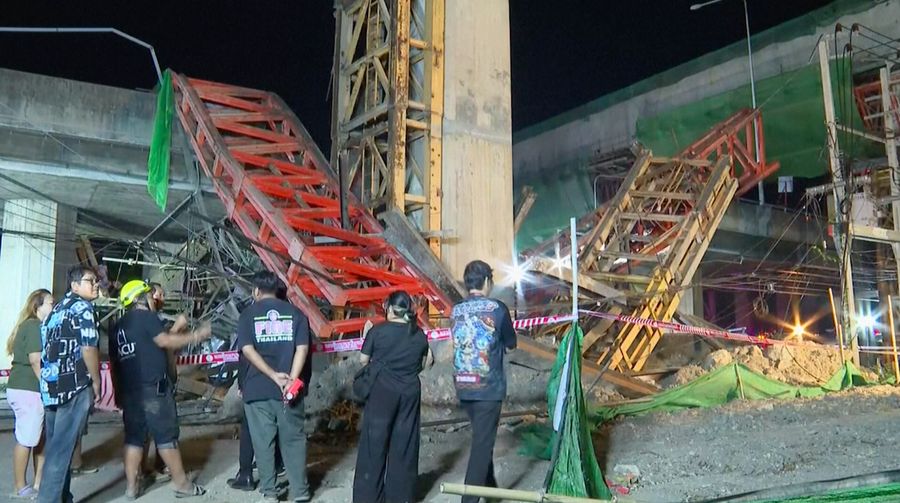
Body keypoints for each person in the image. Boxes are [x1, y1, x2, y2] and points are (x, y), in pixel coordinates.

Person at [112, 280, 211, 499]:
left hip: (130, 392)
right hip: (153, 390)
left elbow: (115, 365)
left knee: (134, 439)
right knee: (166, 438)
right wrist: (197, 335)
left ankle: (131, 488)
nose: (153, 298)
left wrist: (118, 395)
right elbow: (165, 340)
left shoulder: (117, 327)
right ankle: (182, 485)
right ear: (141, 298)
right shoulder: (148, 318)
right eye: (149, 295)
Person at [237, 271, 312, 502]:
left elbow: (247, 350)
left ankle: (270, 492)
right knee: (294, 440)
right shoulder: (297, 314)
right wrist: (290, 379)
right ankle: (300, 492)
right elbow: (303, 348)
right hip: (291, 391)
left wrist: (272, 375)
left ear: (257, 290)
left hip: (258, 388)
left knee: (263, 442)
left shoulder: (248, 315)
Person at [353, 291, 433, 503]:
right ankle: (401, 497)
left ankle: (368, 498)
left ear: (388, 308)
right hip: (409, 392)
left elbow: (363, 361)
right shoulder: (417, 333)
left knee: (374, 444)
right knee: (404, 444)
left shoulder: (377, 332)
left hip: (382, 392)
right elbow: (424, 364)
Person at [451, 260, 517, 503]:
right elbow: (510, 342)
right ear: (488, 282)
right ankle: (469, 500)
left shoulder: (455, 309)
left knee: (482, 438)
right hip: (488, 389)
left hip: (464, 386)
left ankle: (492, 493)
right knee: (481, 447)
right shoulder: (497, 308)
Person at [37, 265, 102, 503]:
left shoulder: (54, 312)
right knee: (61, 451)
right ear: (75, 285)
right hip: (73, 387)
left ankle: (62, 498)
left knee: (57, 447)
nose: (96, 285)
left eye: (96, 281)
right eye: (90, 281)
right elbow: (88, 347)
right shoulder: (83, 308)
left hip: (51, 389)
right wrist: (96, 381)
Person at [228, 281, 288, 492]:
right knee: (279, 425)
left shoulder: (250, 315)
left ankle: (245, 474)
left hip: (256, 383)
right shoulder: (293, 316)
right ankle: (279, 465)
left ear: (257, 291)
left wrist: (241, 382)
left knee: (250, 428)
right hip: (284, 383)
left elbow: (245, 354)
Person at [6, 288, 53, 498]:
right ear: (38, 306)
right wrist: (47, 386)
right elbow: (35, 359)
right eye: (50, 303)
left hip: (25, 389)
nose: (53, 306)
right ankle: (20, 486)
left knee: (38, 437)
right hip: (28, 389)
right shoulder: (34, 326)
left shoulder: (33, 325)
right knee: (27, 438)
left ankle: (38, 482)